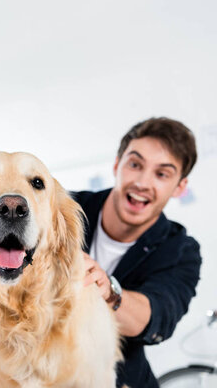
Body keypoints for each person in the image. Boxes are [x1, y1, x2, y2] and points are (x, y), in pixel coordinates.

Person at [76, 117, 202, 388]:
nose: (142, 183)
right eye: (135, 165)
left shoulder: (181, 251)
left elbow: (157, 316)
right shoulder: (62, 209)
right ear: (116, 165)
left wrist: (109, 291)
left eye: (162, 174)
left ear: (179, 187)